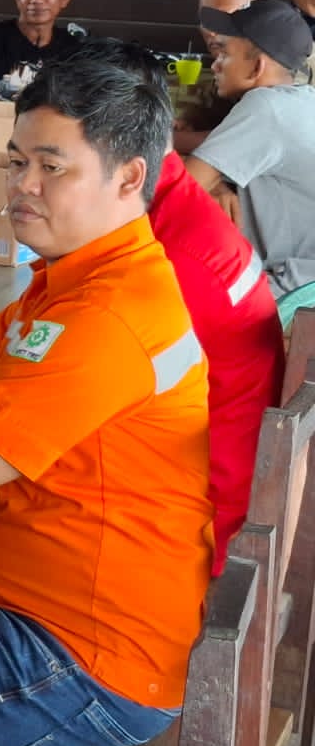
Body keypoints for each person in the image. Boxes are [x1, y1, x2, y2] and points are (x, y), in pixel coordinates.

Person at [0, 58, 211, 746]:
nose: (22, 185)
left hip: (83, 660)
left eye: (52, 166)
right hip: (32, 607)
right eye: (16, 160)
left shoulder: (108, 313)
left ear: (131, 177)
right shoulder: (78, 275)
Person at [66, 38, 283, 573]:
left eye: (56, 158)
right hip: (204, 474)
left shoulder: (170, 259)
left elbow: (69, 387)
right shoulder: (174, 211)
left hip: (199, 527)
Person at [186, 0, 315, 295]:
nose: (215, 64)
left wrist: (210, 182)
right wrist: (216, 185)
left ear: (257, 66)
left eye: (225, 54)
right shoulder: (299, 99)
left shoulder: (266, 106)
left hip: (291, 290)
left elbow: (181, 190)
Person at [174, 0, 270, 155]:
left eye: (224, 17)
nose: (211, 30)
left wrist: (166, 139)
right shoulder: (224, 67)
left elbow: (246, 141)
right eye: (206, 18)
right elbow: (210, 112)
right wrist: (189, 123)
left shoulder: (285, 69)